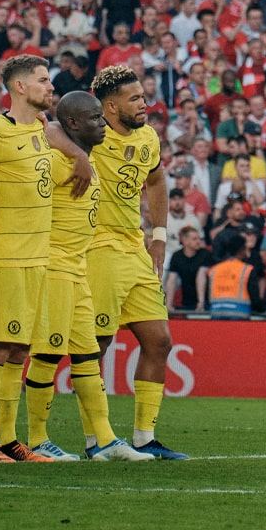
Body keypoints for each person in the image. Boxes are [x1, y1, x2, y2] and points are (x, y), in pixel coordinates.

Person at [28, 89, 150, 462]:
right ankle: (36, 439)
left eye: (103, 116)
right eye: (96, 118)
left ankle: (105, 440)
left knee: (86, 355)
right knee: (47, 356)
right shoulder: (53, 162)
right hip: (53, 268)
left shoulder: (84, 160)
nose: (103, 123)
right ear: (74, 124)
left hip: (79, 268)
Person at [86, 65, 184, 459]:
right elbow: (53, 128)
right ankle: (97, 440)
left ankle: (144, 437)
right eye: (135, 99)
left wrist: (159, 237)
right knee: (97, 344)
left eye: (144, 97)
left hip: (135, 248)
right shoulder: (89, 135)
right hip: (98, 247)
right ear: (109, 106)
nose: (145, 104)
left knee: (159, 340)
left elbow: (157, 181)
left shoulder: (147, 138)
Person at [0, 54, 62, 464]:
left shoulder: (43, 130)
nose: (50, 86)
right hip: (6, 256)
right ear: (20, 87)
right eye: (43, 80)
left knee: (19, 351)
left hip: (37, 255)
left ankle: (9, 440)